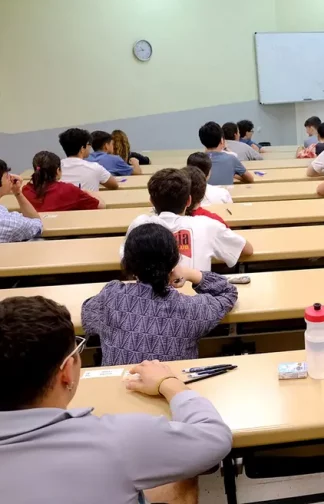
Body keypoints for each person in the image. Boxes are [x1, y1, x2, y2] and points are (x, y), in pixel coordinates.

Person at [0, 296, 233, 504]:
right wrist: (168, 382)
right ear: (67, 372)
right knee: (182, 476)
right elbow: (214, 437)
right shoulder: (117, 439)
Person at [83, 223, 237, 365]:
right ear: (173, 262)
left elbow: (87, 318)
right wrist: (189, 273)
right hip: (172, 391)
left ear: (128, 263)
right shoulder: (191, 308)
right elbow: (228, 292)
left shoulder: (111, 296)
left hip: (120, 388)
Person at [124, 168, 252, 271]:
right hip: (195, 299)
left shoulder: (138, 224)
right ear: (189, 201)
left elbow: (125, 260)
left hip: (150, 300)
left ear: (151, 201)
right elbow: (247, 249)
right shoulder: (207, 225)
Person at [22, 151, 104, 212]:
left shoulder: (25, 190)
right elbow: (100, 206)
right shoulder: (68, 190)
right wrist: (88, 192)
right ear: (58, 171)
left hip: (35, 233)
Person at [198, 121, 254, 185]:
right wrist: (234, 175)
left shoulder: (197, 161)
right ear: (222, 140)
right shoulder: (231, 159)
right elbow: (250, 179)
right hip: (227, 194)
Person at [0, 159, 43, 243]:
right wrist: (18, 193)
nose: (11, 178)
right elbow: (37, 225)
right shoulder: (9, 223)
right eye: (7, 176)